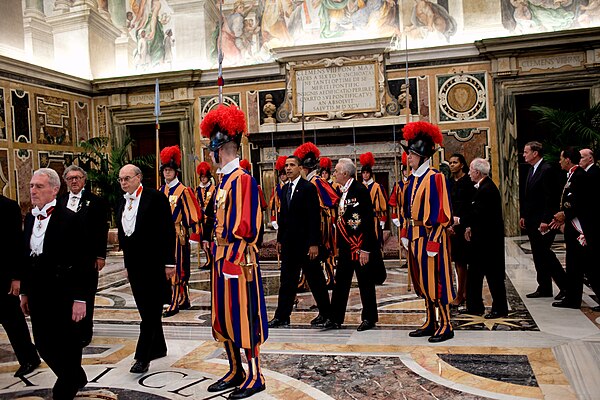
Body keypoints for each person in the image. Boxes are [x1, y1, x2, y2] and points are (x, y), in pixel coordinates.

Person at [200, 104, 268, 399]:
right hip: (221, 257)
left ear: (221, 149)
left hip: (237, 261)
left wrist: (233, 258)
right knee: (223, 317)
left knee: (244, 316)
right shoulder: (223, 181)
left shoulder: (242, 180)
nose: (209, 156)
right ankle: (235, 369)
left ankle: (255, 375)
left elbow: (247, 225)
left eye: (211, 150)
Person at [21, 168, 94, 399]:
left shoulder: (71, 219)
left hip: (64, 292)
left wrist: (81, 299)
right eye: (32, 185)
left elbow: (83, 261)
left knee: (68, 342)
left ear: (55, 190)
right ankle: (75, 376)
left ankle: (67, 384)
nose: (33, 190)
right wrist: (24, 292)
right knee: (42, 343)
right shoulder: (31, 217)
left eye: (39, 186)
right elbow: (25, 256)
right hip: (37, 292)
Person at [116, 164, 176, 374]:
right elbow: (125, 236)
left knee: (150, 312)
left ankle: (142, 356)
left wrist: (170, 262)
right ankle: (158, 346)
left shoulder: (155, 197)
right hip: (135, 266)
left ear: (139, 178)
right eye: (121, 179)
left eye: (127, 178)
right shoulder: (121, 202)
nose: (124, 182)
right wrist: (127, 264)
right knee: (145, 308)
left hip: (154, 264)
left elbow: (168, 230)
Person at [400, 121, 455, 343]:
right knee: (422, 281)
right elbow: (406, 210)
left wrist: (433, 241)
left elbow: (443, 212)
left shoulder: (435, 177)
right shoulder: (410, 180)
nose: (408, 158)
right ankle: (430, 320)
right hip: (414, 237)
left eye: (412, 154)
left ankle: (446, 323)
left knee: (437, 280)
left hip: (431, 237)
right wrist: (404, 231)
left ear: (422, 156)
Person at [269, 155, 332, 328]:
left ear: (299, 168)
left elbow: (313, 217)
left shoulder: (308, 188)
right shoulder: (285, 188)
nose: (288, 168)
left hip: (306, 244)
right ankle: (282, 316)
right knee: (287, 281)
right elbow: (283, 216)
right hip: (289, 244)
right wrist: (280, 239)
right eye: (286, 165)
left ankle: (326, 314)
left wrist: (314, 243)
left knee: (315, 280)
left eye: (292, 165)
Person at [324, 158, 378, 331]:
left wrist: (366, 249)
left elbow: (368, 220)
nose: (334, 174)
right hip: (347, 246)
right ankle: (335, 318)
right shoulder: (342, 192)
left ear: (345, 174)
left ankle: (369, 318)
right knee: (341, 282)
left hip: (360, 245)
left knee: (365, 282)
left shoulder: (360, 190)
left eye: (336, 171)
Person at [59, 165, 109, 347]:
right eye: (70, 178)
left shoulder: (95, 202)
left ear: (84, 180)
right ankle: (71, 328)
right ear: (65, 181)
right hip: (66, 260)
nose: (74, 181)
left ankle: (85, 331)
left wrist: (100, 255)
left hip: (88, 257)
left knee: (87, 293)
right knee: (69, 293)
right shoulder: (60, 201)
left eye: (77, 178)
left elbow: (101, 230)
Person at [550, 147, 599, 309]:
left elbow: (582, 203)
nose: (559, 161)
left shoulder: (580, 176)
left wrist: (565, 213)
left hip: (580, 227)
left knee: (585, 266)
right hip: (573, 226)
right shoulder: (574, 175)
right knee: (574, 265)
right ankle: (572, 299)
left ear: (568, 160)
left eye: (561, 158)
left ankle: (573, 299)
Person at [462, 158, 509, 318]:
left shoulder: (487, 189)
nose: (468, 173)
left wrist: (461, 221)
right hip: (480, 240)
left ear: (477, 172)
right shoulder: (482, 187)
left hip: (488, 242)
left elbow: (479, 214)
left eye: (470, 170)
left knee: (493, 276)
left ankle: (500, 309)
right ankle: (474, 306)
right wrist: (469, 227)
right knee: (474, 273)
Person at [159, 146, 202, 317]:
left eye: (170, 170)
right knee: (166, 268)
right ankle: (183, 298)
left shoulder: (184, 191)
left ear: (176, 171)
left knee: (177, 269)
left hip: (178, 235)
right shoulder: (161, 190)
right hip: (164, 236)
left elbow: (194, 214)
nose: (167, 173)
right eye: (165, 170)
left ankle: (175, 301)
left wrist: (195, 234)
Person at [520, 141, 567, 299]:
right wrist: (524, 216)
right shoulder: (531, 169)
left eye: (526, 152)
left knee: (545, 253)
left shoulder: (546, 170)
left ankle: (565, 285)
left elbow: (550, 197)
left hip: (543, 221)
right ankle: (544, 286)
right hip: (532, 219)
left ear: (535, 153)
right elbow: (529, 196)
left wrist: (546, 219)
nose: (524, 155)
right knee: (538, 254)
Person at [0, 194, 40, 378]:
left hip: (4, 277)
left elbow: (17, 244)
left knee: (12, 320)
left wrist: (17, 277)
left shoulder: (7, 206)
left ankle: (29, 358)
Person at [294, 142, 340, 290]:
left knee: (324, 252)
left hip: (321, 223)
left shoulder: (315, 182)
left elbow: (331, 199)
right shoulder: (313, 181)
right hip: (318, 221)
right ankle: (307, 281)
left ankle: (329, 278)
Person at [446, 154, 475, 306]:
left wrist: (465, 223)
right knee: (458, 260)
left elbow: (472, 205)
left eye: (455, 162)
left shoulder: (469, 182)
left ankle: (463, 293)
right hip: (452, 226)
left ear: (462, 165)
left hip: (465, 225)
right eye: (450, 163)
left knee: (464, 261)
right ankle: (461, 292)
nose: (451, 165)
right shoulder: (448, 182)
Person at [359, 152, 388, 284]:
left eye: (367, 173)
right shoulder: (359, 187)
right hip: (362, 220)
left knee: (374, 246)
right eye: (363, 173)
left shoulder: (377, 187)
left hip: (374, 219)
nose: (365, 175)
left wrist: (382, 220)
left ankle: (378, 274)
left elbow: (383, 204)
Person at [579, 148, 600, 311]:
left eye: (582, 157)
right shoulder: (587, 173)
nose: (579, 159)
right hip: (589, 223)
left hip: (593, 224)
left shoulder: (593, 174)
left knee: (594, 265)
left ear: (591, 158)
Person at [319, 156, 340, 286]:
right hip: (322, 220)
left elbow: (337, 202)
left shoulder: (335, 185)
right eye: (323, 172)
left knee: (330, 247)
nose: (324, 175)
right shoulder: (319, 183)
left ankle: (332, 276)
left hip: (331, 218)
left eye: (326, 172)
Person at [197, 161, 216, 270]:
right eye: (202, 177)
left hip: (211, 218)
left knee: (210, 239)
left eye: (205, 177)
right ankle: (208, 259)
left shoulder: (213, 188)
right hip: (201, 219)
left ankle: (212, 259)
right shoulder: (197, 189)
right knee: (203, 241)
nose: (203, 179)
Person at [268, 155, 288, 231]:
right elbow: (272, 204)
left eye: (284, 174)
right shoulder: (277, 188)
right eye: (281, 175)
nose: (282, 176)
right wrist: (273, 219)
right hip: (280, 213)